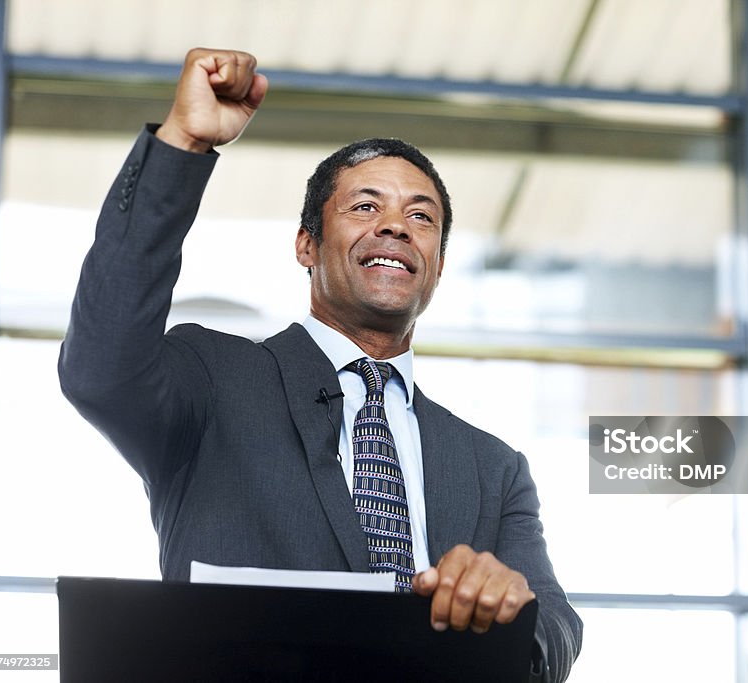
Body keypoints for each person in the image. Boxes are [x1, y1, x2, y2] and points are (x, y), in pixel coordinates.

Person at [58, 48, 582, 681]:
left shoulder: (491, 467)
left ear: (438, 264)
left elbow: (555, 630)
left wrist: (512, 606)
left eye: (422, 217)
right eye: (365, 207)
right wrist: (184, 145)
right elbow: (101, 363)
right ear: (306, 244)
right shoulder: (211, 381)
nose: (396, 227)